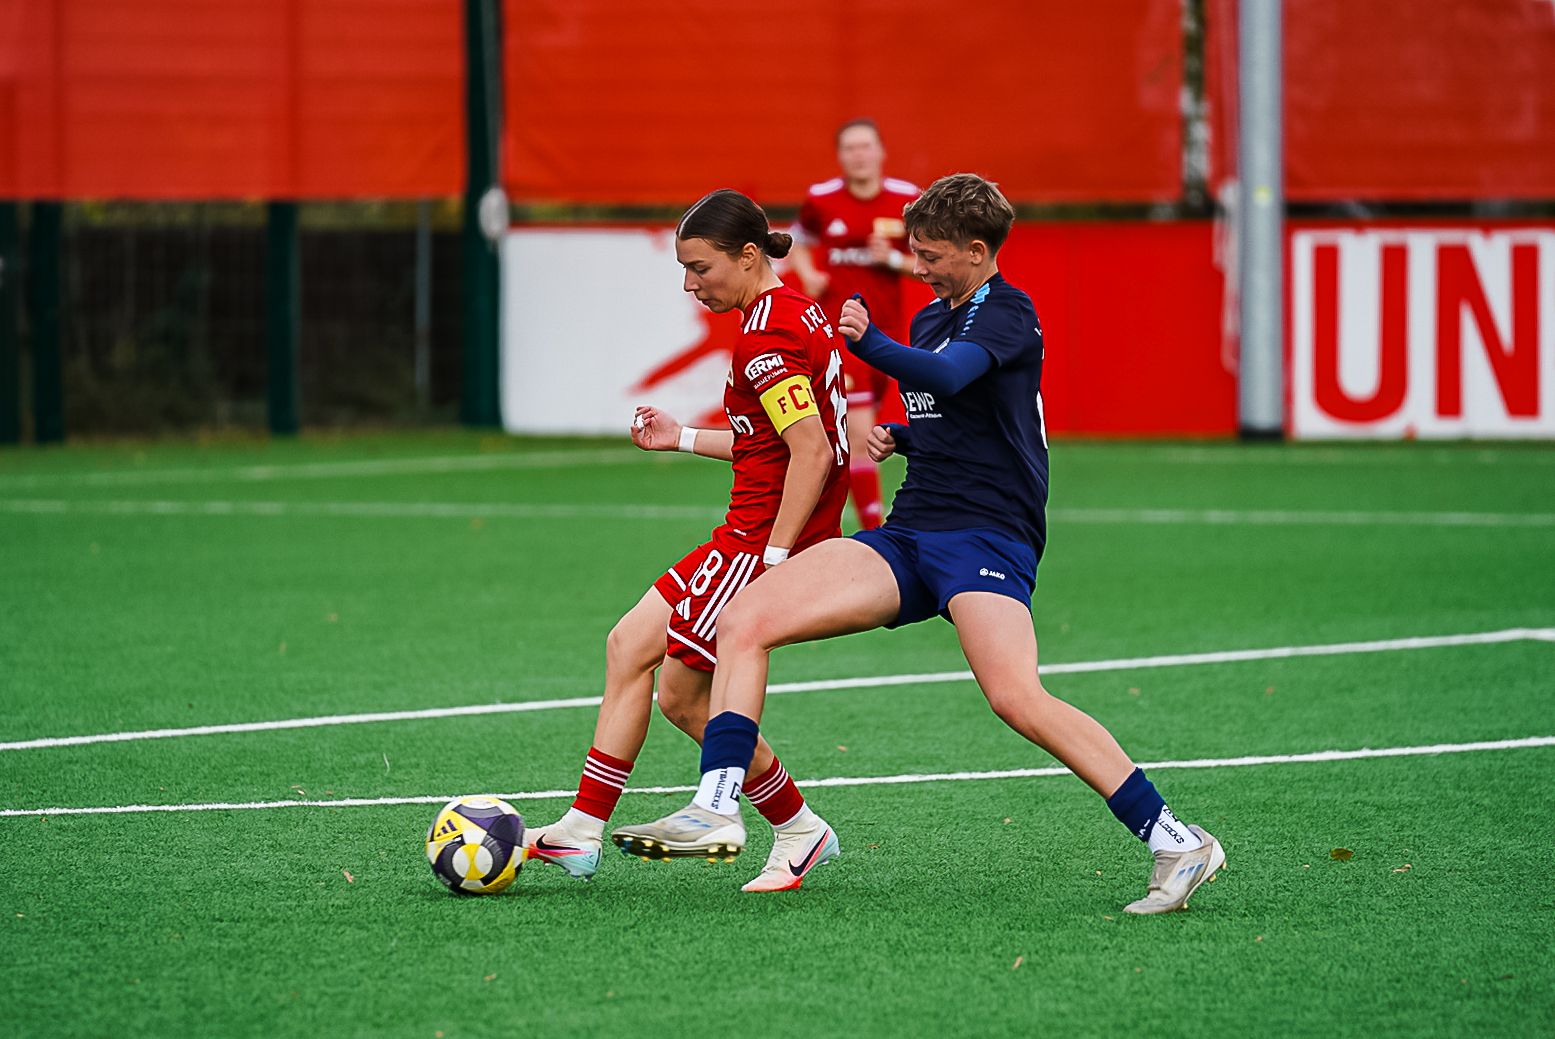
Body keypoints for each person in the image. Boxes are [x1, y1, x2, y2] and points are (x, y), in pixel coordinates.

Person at [614, 174, 1227, 914]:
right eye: (915, 251)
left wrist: (870, 342)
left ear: (976, 251)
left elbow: (948, 375)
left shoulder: (1008, 314)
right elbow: (955, 413)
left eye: (931, 254)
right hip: (910, 532)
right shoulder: (936, 319)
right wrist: (903, 435)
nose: (919, 265)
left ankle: (1174, 838)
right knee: (746, 615)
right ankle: (715, 806)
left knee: (1015, 696)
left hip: (987, 538)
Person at [523, 188, 852, 894]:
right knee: (628, 646)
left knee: (678, 693)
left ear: (746, 256)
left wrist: (775, 555)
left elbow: (812, 452)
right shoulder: (791, 312)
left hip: (754, 541)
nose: (688, 283)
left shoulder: (765, 339)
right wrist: (681, 437)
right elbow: (765, 442)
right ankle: (582, 830)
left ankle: (792, 826)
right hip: (741, 535)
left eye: (699, 268)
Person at [787, 118, 919, 531]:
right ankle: (873, 535)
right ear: (840, 156)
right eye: (850, 148)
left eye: (865, 147)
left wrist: (893, 260)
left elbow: (932, 263)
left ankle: (834, 517)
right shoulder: (821, 199)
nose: (859, 155)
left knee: (859, 435)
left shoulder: (907, 199)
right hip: (841, 333)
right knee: (860, 437)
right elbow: (799, 244)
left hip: (889, 336)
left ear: (881, 151)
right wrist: (808, 275)